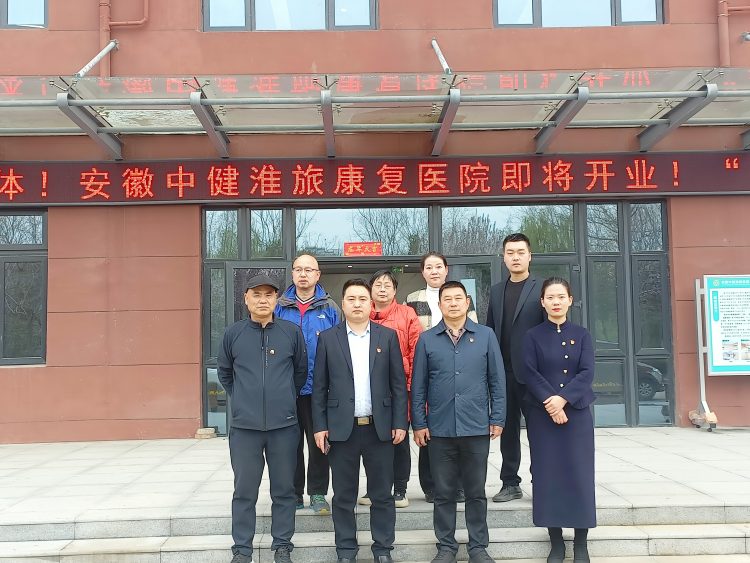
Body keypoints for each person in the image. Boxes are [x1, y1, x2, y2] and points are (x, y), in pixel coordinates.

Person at [311, 278, 408, 563]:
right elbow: (319, 387)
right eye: (351, 299)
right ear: (342, 304)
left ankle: (383, 549)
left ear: (371, 304)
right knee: (343, 496)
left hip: (380, 429)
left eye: (362, 299)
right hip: (342, 430)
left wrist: (400, 422)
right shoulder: (328, 338)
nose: (357, 304)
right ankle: (346, 551)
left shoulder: (386, 337)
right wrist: (320, 426)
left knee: (382, 494)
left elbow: (398, 384)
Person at [411, 281, 506, 563]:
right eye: (447, 299)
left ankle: (478, 547)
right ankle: (446, 547)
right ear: (439, 305)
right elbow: (418, 387)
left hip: (476, 426)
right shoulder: (427, 339)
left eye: (458, 299)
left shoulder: (486, 336)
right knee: (443, 492)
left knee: (476, 491)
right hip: (439, 429)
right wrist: (419, 423)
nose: (453, 303)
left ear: (467, 303)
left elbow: (497, 381)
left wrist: (497, 417)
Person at [218, 274, 308, 563]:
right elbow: (225, 374)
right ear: (246, 298)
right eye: (256, 294)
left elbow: (300, 373)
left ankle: (282, 546)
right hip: (245, 428)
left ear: (276, 299)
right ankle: (242, 550)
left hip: (284, 427)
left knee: (284, 490)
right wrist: (245, 400)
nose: (262, 300)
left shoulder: (291, 332)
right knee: (244, 491)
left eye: (268, 294)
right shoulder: (233, 334)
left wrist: (283, 397)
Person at [523, 277, 596, 563]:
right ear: (542, 302)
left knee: (579, 474)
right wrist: (551, 403)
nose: (556, 302)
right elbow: (529, 373)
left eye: (561, 297)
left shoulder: (582, 334)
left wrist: (563, 399)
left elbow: (587, 372)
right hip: (543, 416)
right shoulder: (532, 336)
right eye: (550, 297)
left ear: (570, 300)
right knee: (547, 475)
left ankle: (581, 542)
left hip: (577, 413)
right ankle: (555, 541)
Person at [404, 251, 475, 503]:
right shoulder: (413, 299)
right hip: (428, 366)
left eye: (438, 267)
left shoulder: (461, 296)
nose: (434, 271)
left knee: (457, 430)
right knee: (428, 429)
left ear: (446, 269)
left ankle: (458, 485)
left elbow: (473, 333)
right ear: (422, 272)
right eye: (429, 267)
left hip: (457, 368)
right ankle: (430, 485)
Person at [275, 254, 341, 516]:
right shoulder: (279, 307)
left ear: (318, 274)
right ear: (292, 273)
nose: (303, 274)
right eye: (299, 270)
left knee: (319, 443)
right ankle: (293, 493)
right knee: (289, 444)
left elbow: (339, 349)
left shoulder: (330, 308)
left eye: (309, 270)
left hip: (319, 389)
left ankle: (317, 493)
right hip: (286, 389)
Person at [485, 233, 544, 503]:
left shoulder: (541, 288)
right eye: (510, 253)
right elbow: (490, 330)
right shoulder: (497, 291)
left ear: (530, 256)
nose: (515, 257)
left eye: (520, 252)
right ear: (504, 257)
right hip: (504, 373)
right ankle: (510, 483)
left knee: (538, 431)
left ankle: (542, 481)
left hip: (535, 374)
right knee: (507, 432)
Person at [357, 269, 421, 508]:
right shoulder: (363, 315)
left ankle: (400, 488)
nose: (382, 289)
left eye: (387, 285)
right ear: (370, 289)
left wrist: (410, 384)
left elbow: (416, 352)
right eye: (378, 285)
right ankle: (375, 487)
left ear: (395, 291)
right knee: (372, 441)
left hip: (399, 388)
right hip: (369, 390)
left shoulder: (407, 314)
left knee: (399, 439)